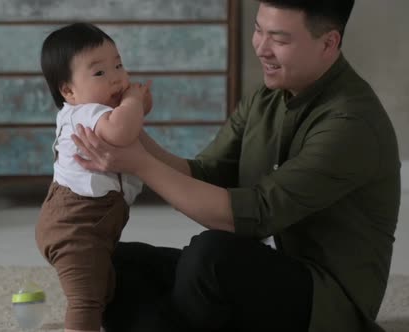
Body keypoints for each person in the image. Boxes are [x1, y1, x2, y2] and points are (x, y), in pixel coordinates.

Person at [71, 1, 401, 331]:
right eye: (259, 30)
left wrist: (139, 164)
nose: (262, 48)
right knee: (111, 262)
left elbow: (254, 215)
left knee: (210, 257)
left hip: (326, 301)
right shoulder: (266, 97)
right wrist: (127, 134)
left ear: (328, 43)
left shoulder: (351, 123)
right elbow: (205, 174)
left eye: (279, 39)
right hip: (260, 270)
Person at [35, 22, 152, 332]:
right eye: (99, 73)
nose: (115, 76)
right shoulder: (84, 113)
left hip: (94, 225)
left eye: (118, 65)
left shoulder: (97, 111)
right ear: (69, 91)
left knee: (102, 288)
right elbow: (123, 129)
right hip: (75, 226)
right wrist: (133, 102)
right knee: (85, 301)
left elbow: (132, 120)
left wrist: (135, 105)